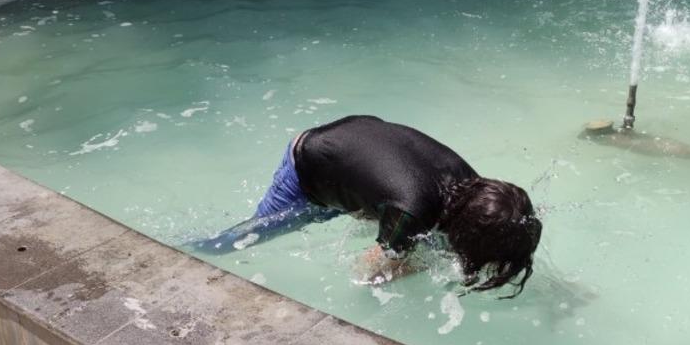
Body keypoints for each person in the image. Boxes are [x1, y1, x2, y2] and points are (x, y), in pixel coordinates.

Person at [189, 115, 542, 297]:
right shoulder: (412, 212)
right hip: (310, 164)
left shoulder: (474, 189)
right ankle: (188, 248)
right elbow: (364, 274)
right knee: (241, 240)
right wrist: (414, 265)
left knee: (420, 242)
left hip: (360, 140)